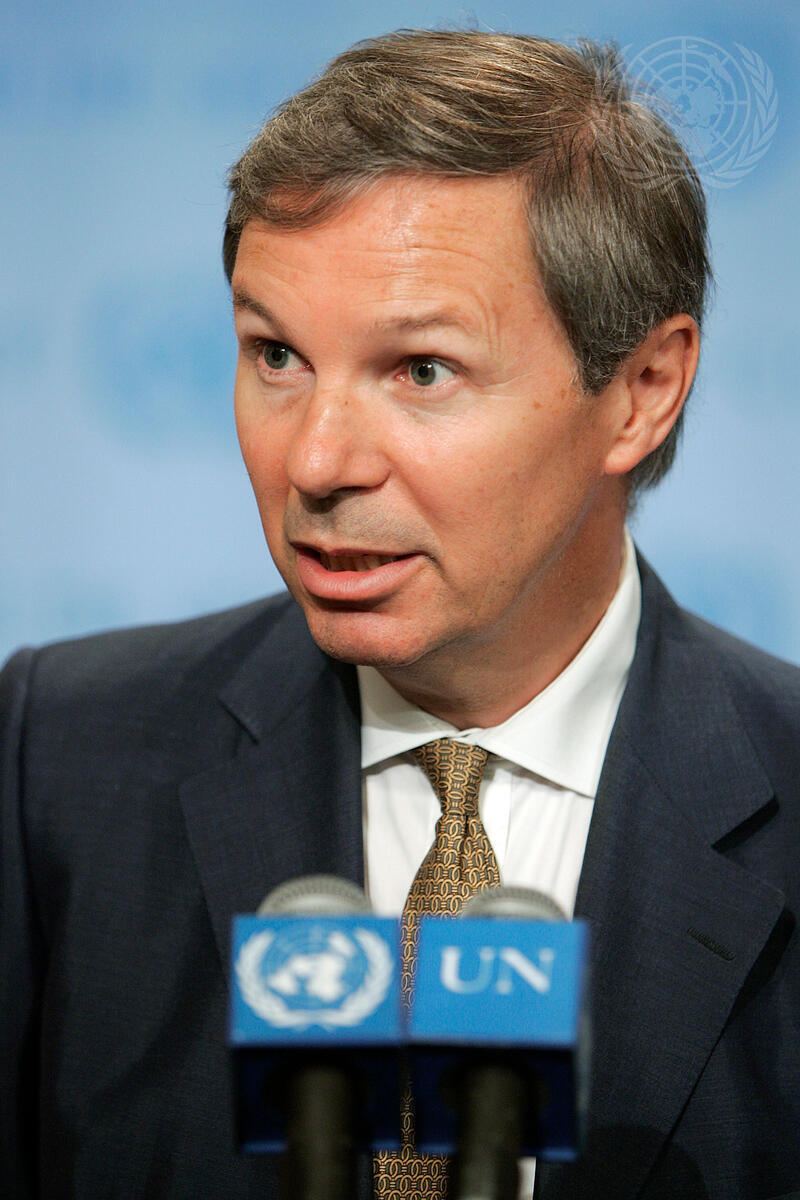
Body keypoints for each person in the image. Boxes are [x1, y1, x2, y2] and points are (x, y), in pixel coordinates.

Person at [1, 28, 799, 1200]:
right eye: (276, 354)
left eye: (419, 371)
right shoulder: (56, 762)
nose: (316, 462)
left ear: (640, 390)